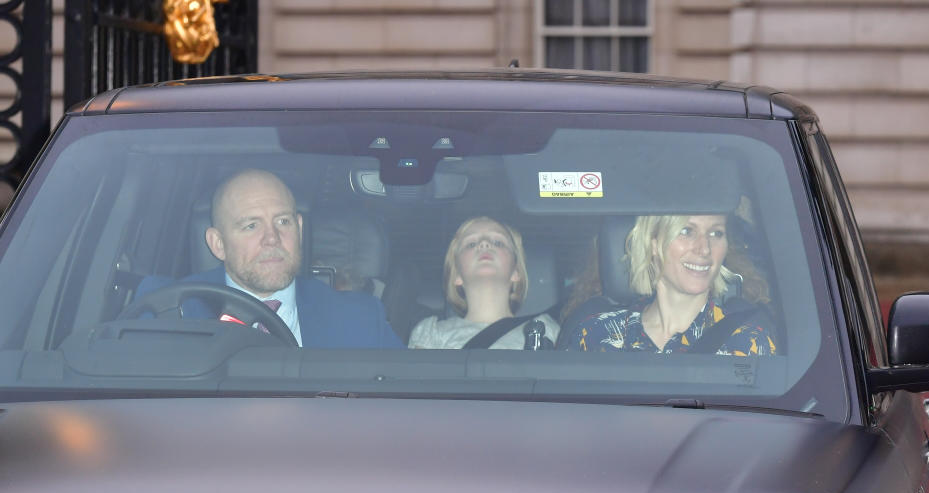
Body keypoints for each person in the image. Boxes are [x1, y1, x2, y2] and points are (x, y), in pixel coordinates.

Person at [140, 169, 403, 349]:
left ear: (299, 229)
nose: (272, 238)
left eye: (283, 221)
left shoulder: (360, 318)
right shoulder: (168, 311)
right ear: (218, 244)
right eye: (251, 226)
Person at [566, 214, 775, 355]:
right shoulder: (594, 336)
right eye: (687, 231)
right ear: (654, 244)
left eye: (716, 233)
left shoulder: (749, 343)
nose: (704, 249)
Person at [408, 216, 560, 349]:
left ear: (516, 272)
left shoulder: (546, 329)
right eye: (471, 244)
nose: (484, 243)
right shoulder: (433, 333)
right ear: (457, 275)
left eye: (498, 242)